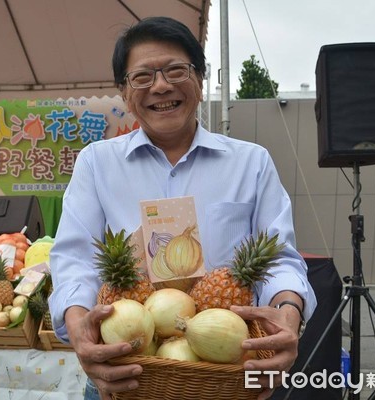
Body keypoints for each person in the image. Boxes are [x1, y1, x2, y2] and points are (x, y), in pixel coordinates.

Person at [48, 16, 316, 400]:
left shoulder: (251, 163)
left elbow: (281, 259)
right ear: (124, 93)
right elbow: (74, 259)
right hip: (127, 375)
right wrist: (77, 327)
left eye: (176, 70)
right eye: (142, 77)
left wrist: (288, 313)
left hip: (226, 375)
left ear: (201, 81)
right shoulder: (96, 163)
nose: (161, 85)